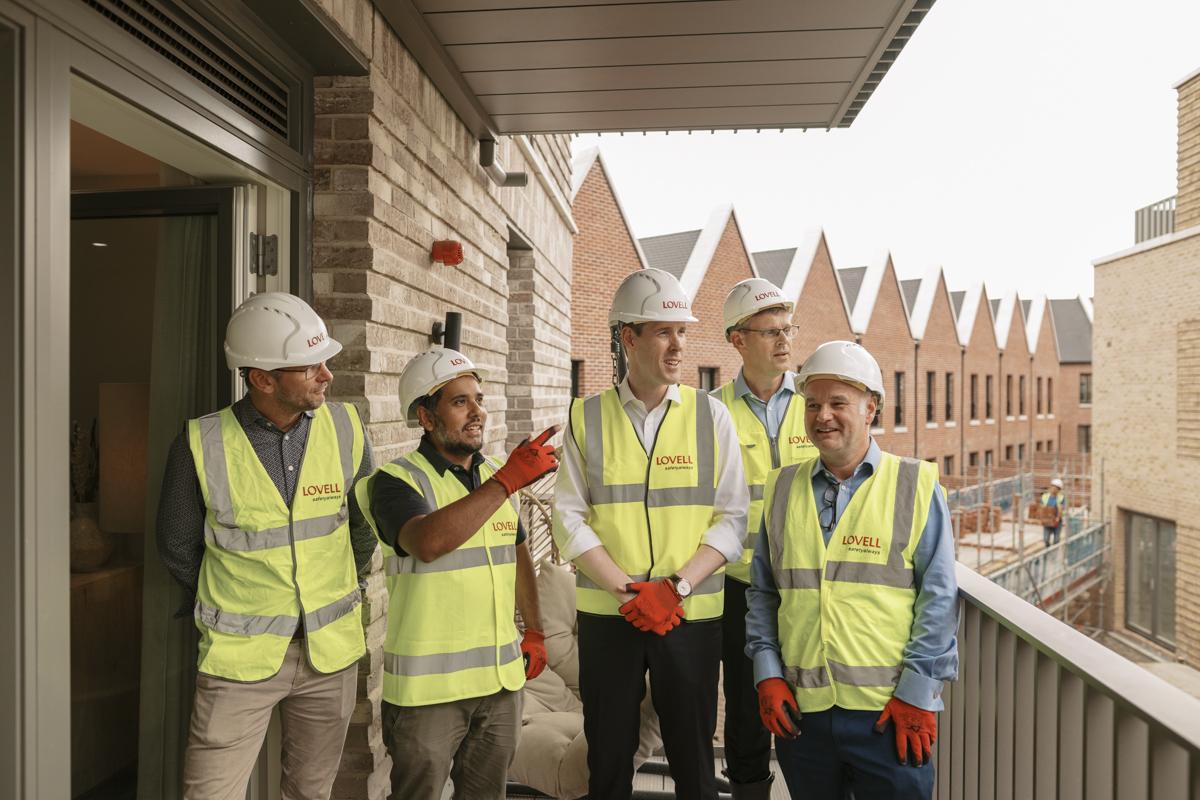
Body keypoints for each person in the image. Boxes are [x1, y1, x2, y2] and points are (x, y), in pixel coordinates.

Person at [157, 292, 375, 800]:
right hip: (238, 662)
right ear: (262, 379)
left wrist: (345, 588)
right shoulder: (200, 442)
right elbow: (177, 544)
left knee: (310, 793)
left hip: (329, 656)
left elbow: (362, 529)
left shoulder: (346, 428)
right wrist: (229, 599)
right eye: (310, 367)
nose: (326, 375)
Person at [554, 267, 749, 800]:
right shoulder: (585, 417)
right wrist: (629, 593)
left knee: (695, 766)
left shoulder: (711, 417)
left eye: (682, 331)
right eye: (664, 331)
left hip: (689, 616)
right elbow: (567, 517)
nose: (678, 344)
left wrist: (674, 588)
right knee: (608, 764)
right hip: (609, 616)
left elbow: (733, 518)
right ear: (629, 337)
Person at [746, 340, 958, 800]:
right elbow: (763, 592)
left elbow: (939, 598)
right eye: (813, 404)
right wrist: (767, 673)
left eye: (838, 403)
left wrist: (917, 693)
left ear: (871, 408)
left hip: (889, 715)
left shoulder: (915, 485)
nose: (823, 416)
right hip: (803, 714)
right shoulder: (781, 489)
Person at [355, 347, 556, 799]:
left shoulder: (495, 477)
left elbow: (518, 554)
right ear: (426, 418)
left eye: (478, 399)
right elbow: (427, 542)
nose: (477, 411)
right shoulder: (394, 482)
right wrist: (506, 482)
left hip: (499, 686)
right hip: (428, 696)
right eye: (460, 402)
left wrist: (535, 631)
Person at [711, 277, 817, 799]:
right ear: (738, 340)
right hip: (737, 586)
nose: (784, 341)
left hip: (807, 583)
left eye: (788, 330)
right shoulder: (710, 412)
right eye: (771, 331)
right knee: (747, 707)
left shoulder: (815, 402)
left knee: (811, 697)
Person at [1041, 477, 1066, 546]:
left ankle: (1055, 551)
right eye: (1053, 487)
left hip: (1057, 521)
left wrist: (1058, 517)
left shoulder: (1061, 498)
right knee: (1046, 539)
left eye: (1056, 488)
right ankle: (1048, 549)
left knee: (1056, 540)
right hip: (1047, 520)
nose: (1054, 489)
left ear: (1059, 490)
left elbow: (1062, 509)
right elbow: (1042, 508)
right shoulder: (1045, 496)